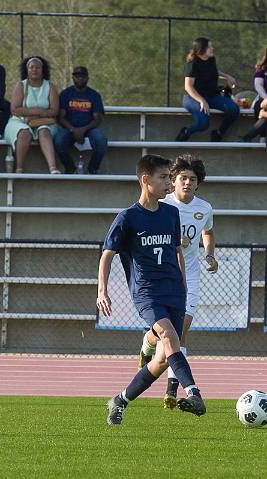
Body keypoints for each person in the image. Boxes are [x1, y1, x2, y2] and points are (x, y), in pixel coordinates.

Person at [98, 154, 206, 425]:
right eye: (164, 178)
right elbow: (107, 255)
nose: (169, 183)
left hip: (174, 291)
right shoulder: (127, 218)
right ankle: (193, 392)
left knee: (161, 360)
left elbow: (177, 251)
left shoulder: (170, 213)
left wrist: (182, 283)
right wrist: (102, 291)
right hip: (147, 293)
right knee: (169, 334)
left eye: (170, 178)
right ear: (146, 180)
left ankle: (120, 400)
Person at [136, 154, 217, 409]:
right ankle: (147, 345)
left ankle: (172, 389)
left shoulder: (204, 208)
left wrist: (210, 254)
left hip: (189, 275)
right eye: (183, 178)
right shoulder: (163, 204)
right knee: (163, 333)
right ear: (174, 179)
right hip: (164, 275)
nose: (188, 183)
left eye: (193, 179)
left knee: (181, 330)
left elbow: (208, 231)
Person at [4, 56, 60, 173]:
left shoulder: (50, 86)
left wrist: (37, 115)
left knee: (44, 131)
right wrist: (37, 112)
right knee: (24, 133)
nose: (34, 70)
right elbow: (14, 109)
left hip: (44, 122)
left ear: (42, 70)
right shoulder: (21, 85)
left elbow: (54, 111)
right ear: (27, 70)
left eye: (38, 67)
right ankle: (19, 168)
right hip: (20, 120)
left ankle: (53, 168)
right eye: (31, 67)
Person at [177, 37, 239, 142]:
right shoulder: (192, 64)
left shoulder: (211, 59)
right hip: (192, 97)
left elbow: (213, 71)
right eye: (209, 47)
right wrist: (201, 100)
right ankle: (186, 131)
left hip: (211, 96)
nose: (212, 48)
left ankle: (218, 133)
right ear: (201, 49)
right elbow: (188, 86)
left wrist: (227, 77)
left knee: (234, 109)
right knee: (203, 124)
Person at [54, 65, 107, 174]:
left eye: (83, 76)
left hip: (89, 129)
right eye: (77, 76)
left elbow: (97, 119)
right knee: (58, 141)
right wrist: (73, 130)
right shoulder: (65, 94)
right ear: (73, 78)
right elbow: (61, 117)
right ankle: (69, 167)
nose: (80, 78)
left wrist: (82, 130)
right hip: (69, 128)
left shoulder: (94, 95)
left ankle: (93, 169)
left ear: (87, 78)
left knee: (101, 141)